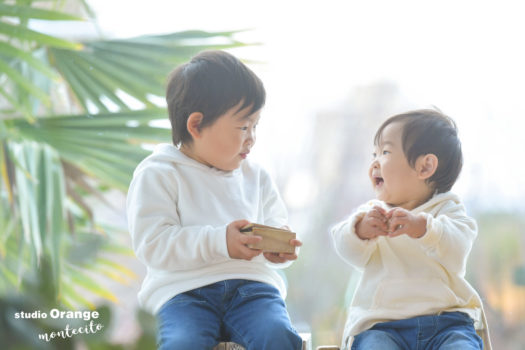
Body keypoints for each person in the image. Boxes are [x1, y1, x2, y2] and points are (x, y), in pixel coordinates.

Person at [126, 50, 303, 350]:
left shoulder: (256, 176)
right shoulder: (159, 173)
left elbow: (274, 223)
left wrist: (277, 248)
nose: (252, 138)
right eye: (243, 127)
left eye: (256, 126)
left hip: (253, 289)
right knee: (181, 343)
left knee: (279, 337)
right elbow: (153, 245)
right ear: (196, 126)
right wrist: (220, 241)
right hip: (182, 293)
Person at [331, 109, 491, 350]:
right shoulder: (373, 213)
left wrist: (423, 228)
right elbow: (345, 247)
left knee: (461, 346)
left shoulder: (448, 210)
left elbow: (457, 250)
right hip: (383, 326)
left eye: (384, 152)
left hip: (447, 324)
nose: (374, 162)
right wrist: (360, 231)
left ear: (425, 167)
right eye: (373, 153)